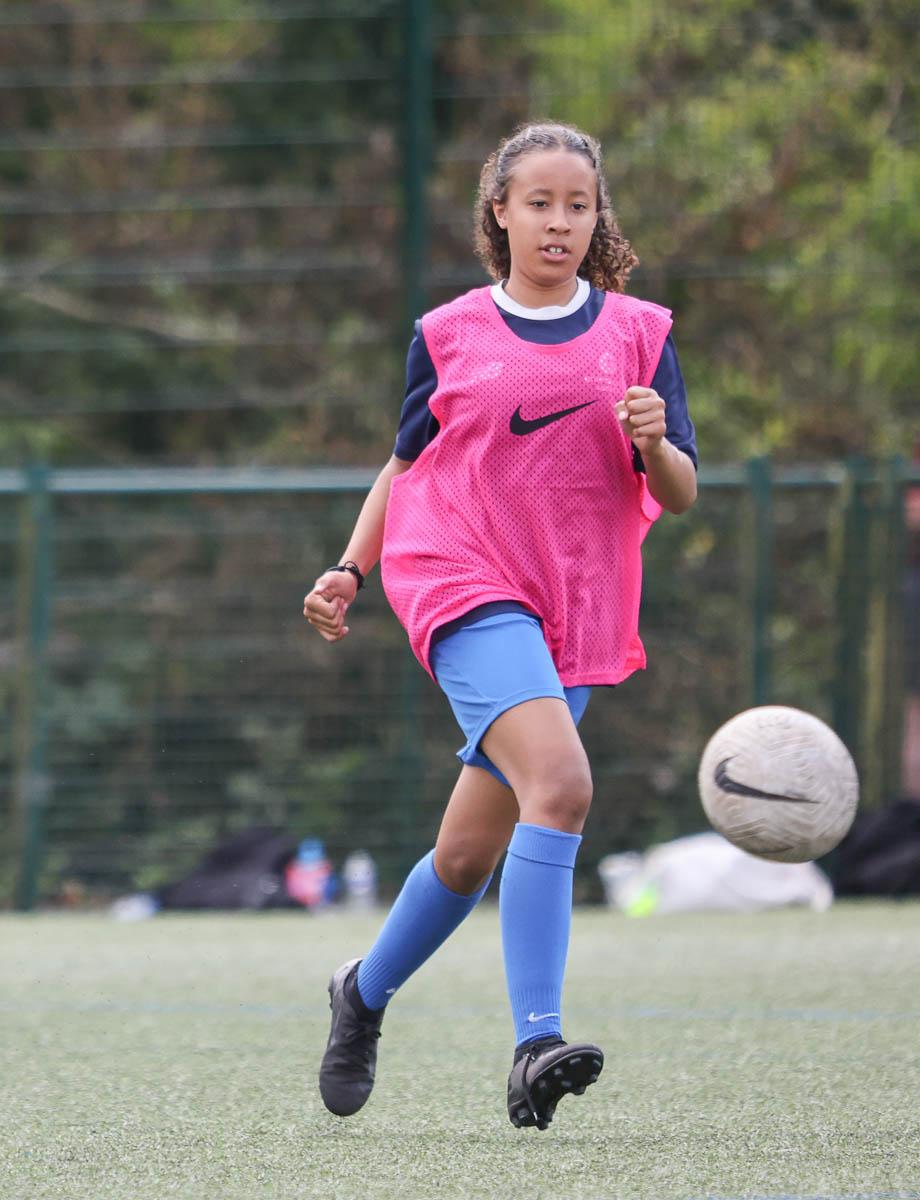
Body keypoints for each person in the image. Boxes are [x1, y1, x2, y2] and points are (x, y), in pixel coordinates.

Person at [302, 122, 698, 1131]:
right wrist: (353, 567)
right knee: (561, 786)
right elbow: (407, 466)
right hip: (461, 579)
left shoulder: (641, 335)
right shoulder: (448, 334)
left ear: (596, 216)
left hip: (573, 603)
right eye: (539, 203)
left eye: (578, 205)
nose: (560, 222)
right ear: (500, 212)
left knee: (470, 854)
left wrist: (656, 446)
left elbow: (683, 493)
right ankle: (535, 1043)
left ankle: (363, 992)